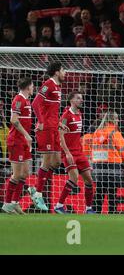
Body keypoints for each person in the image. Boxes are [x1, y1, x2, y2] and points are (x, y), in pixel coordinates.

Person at [29, 62, 68, 211]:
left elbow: (50, 110)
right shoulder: (49, 84)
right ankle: (38, 193)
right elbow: (35, 103)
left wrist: (59, 123)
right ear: (57, 72)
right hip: (45, 129)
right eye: (63, 70)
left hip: (53, 128)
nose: (65, 73)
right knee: (46, 162)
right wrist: (40, 121)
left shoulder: (58, 87)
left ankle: (35, 188)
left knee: (57, 162)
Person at [54, 91, 95, 214]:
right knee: (74, 177)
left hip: (79, 152)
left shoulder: (80, 114)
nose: (81, 100)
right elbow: (60, 135)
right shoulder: (66, 116)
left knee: (89, 180)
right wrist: (67, 153)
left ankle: (88, 209)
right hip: (69, 152)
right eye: (78, 98)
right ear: (71, 100)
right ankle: (59, 205)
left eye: (81, 98)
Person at [2, 78, 34, 214]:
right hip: (16, 141)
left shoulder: (27, 101)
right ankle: (7, 204)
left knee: (25, 173)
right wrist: (27, 135)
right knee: (17, 174)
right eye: (32, 86)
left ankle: (15, 203)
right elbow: (14, 120)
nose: (34, 88)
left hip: (24, 142)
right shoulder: (19, 99)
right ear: (27, 87)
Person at [91, 111, 124, 213]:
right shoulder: (115, 133)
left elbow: (93, 149)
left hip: (98, 166)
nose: (118, 120)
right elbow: (123, 151)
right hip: (113, 165)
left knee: (99, 191)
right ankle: (112, 213)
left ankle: (95, 212)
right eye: (116, 118)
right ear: (112, 120)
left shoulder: (96, 132)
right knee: (112, 193)